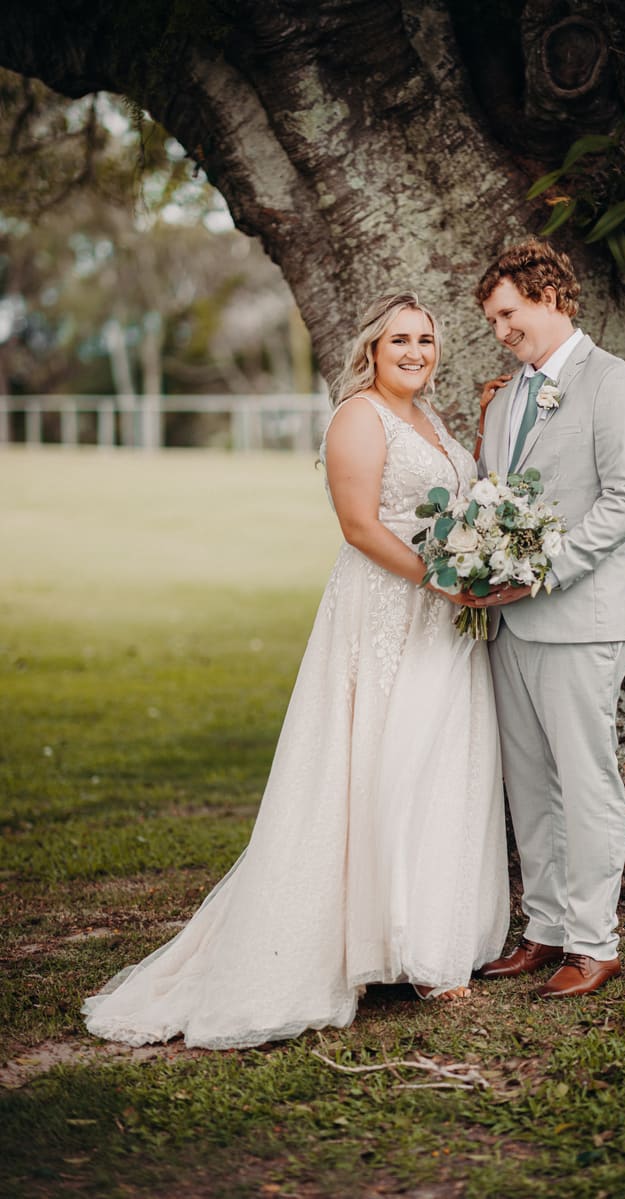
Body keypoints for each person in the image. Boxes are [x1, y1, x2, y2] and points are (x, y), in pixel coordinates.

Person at [82, 292, 509, 1049]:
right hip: (384, 613)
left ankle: (428, 941)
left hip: (442, 622)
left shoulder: (433, 421)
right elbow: (358, 525)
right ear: (371, 349)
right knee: (380, 764)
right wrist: (439, 579)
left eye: (426, 340)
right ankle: (367, 942)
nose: (415, 351)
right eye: (399, 340)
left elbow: (455, 500)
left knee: (440, 762)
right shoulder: (358, 416)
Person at [472, 238, 625, 998]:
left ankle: (595, 941)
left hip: (581, 619)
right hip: (510, 628)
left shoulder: (615, 382)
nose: (500, 330)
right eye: (490, 320)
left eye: (507, 313)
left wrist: (538, 572)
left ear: (549, 296)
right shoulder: (507, 394)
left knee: (585, 784)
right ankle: (544, 927)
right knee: (529, 784)